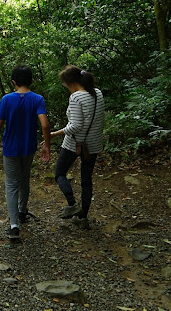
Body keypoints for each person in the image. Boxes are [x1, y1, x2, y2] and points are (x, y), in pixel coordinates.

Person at [0, 65, 51, 240]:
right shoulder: (38, 99)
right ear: (32, 80)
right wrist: (47, 145)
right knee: (25, 178)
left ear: (13, 82)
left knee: (11, 183)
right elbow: (45, 124)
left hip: (10, 147)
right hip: (29, 147)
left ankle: (14, 225)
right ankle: (22, 211)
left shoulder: (6, 99)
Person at [49, 65, 105, 229]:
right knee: (86, 181)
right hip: (93, 144)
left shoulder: (76, 97)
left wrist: (54, 134)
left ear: (71, 83)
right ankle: (83, 217)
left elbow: (75, 125)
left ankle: (72, 203)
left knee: (59, 173)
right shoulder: (98, 93)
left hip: (74, 143)